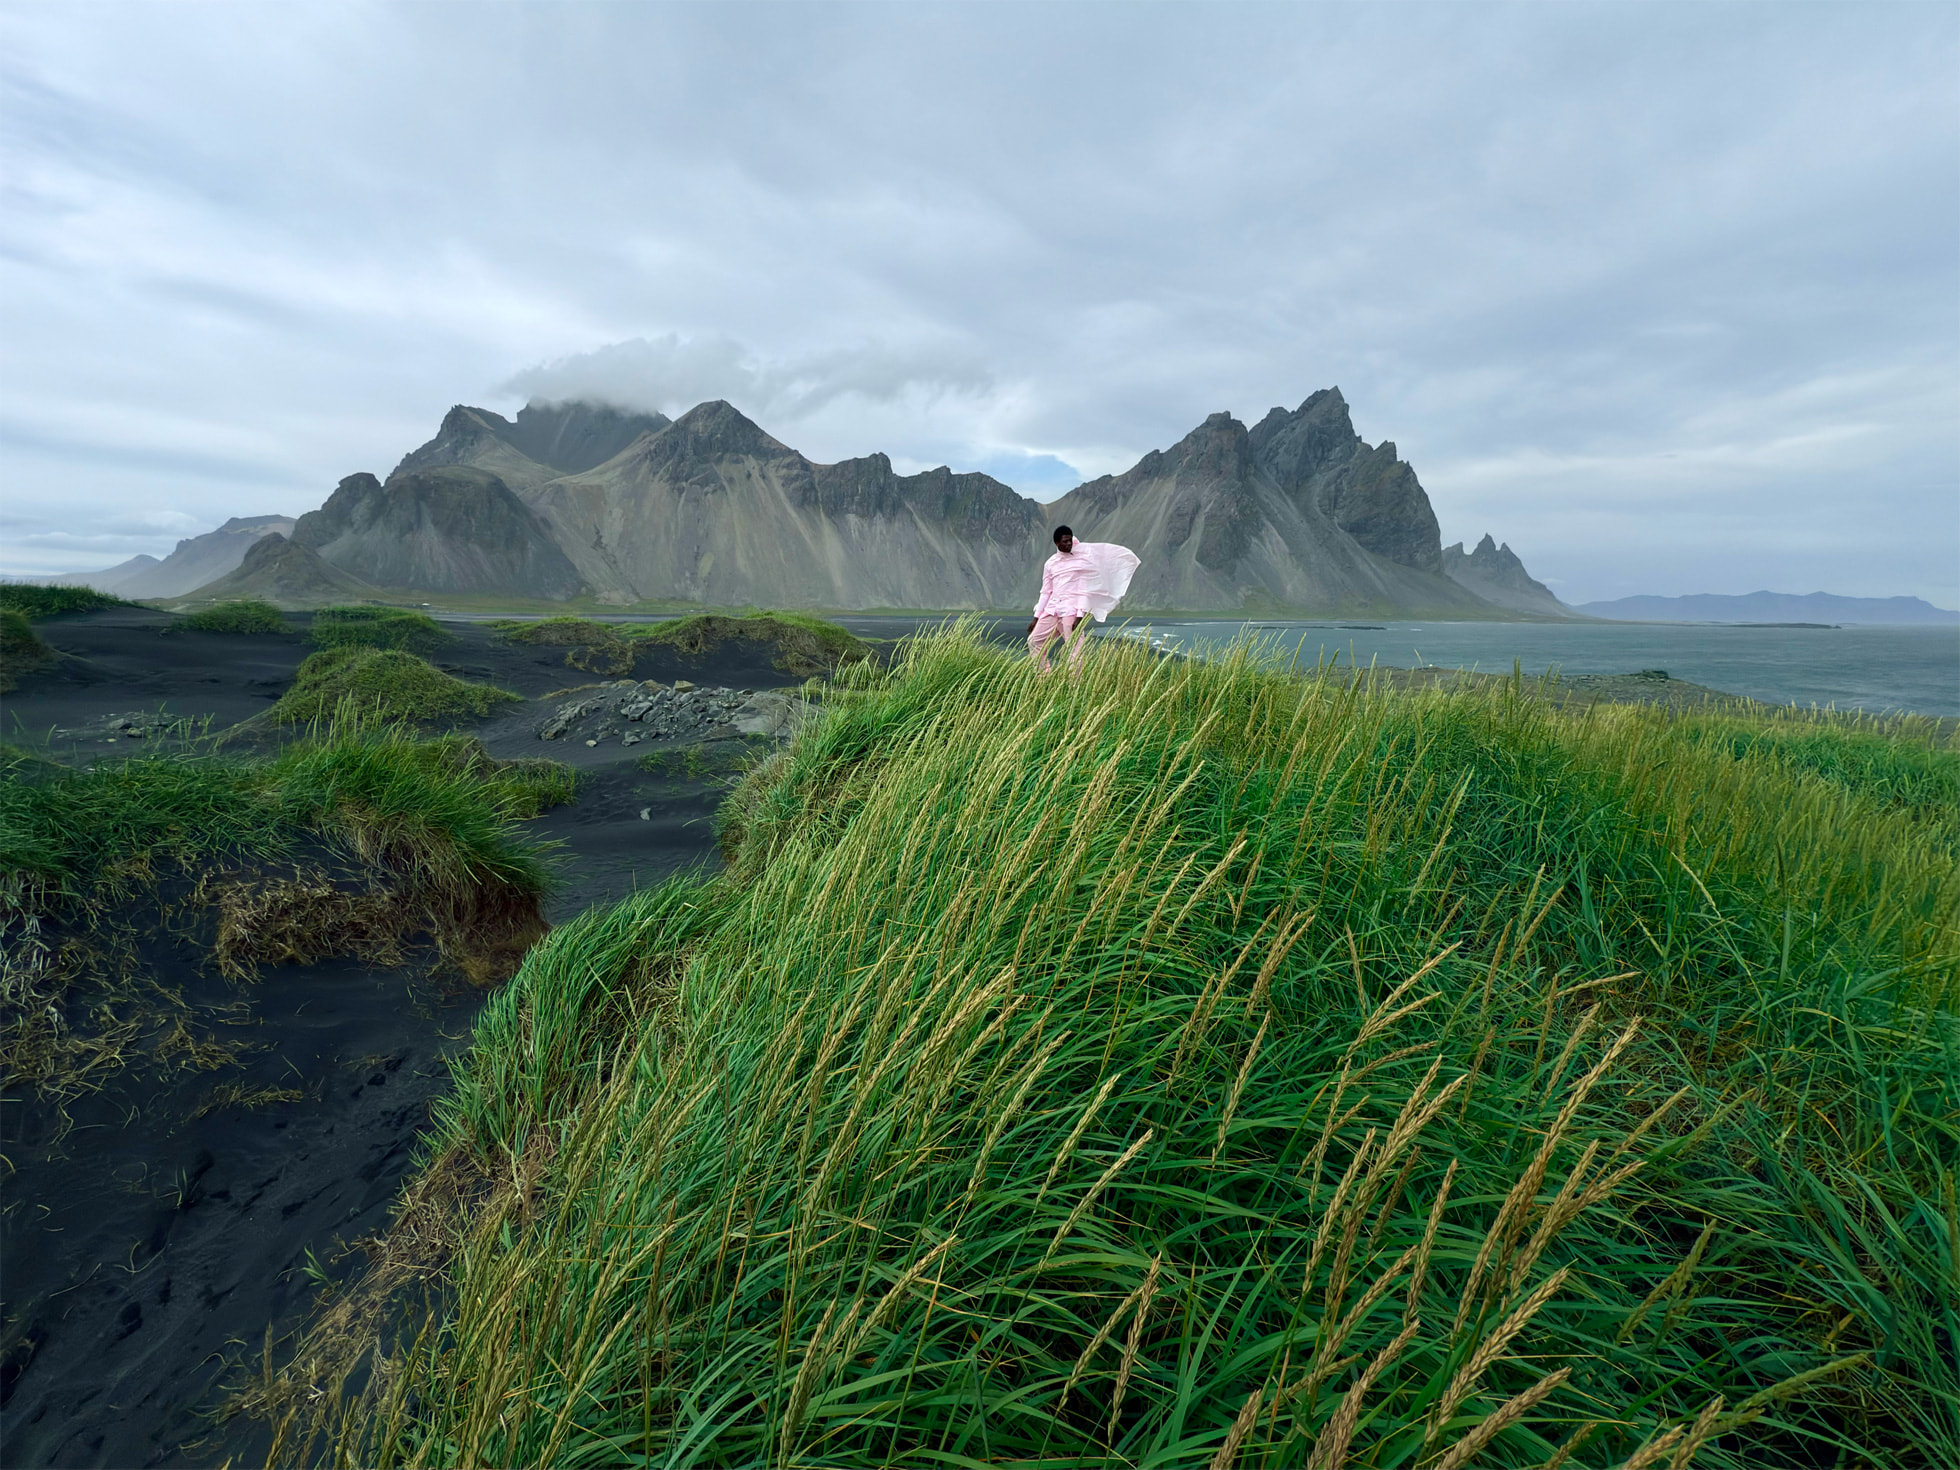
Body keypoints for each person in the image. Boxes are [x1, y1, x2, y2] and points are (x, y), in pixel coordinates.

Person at [1027, 525, 1140, 673]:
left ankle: (1074, 686)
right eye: (1065, 541)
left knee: (1074, 649)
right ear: (1056, 543)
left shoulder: (1081, 560)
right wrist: (1036, 618)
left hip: (1071, 611)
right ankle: (1042, 678)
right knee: (1034, 641)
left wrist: (1080, 616)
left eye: (1070, 540)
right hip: (1052, 608)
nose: (1068, 544)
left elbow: (1084, 591)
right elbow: (1046, 591)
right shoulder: (1050, 563)